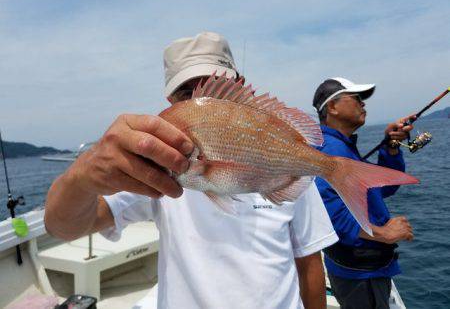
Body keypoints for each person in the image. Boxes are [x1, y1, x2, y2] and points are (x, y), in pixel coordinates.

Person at [45, 32, 338, 309]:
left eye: (217, 86)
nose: (205, 102)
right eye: (188, 92)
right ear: (171, 102)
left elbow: (310, 261)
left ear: (242, 90)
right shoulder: (153, 171)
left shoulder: (287, 161)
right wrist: (81, 178)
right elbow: (62, 227)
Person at [312, 77, 415, 309]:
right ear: (332, 107)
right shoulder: (330, 150)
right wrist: (381, 233)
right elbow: (327, 212)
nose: (363, 104)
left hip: (365, 269)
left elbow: (381, 189)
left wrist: (391, 148)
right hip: (360, 274)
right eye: (356, 99)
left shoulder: (342, 146)